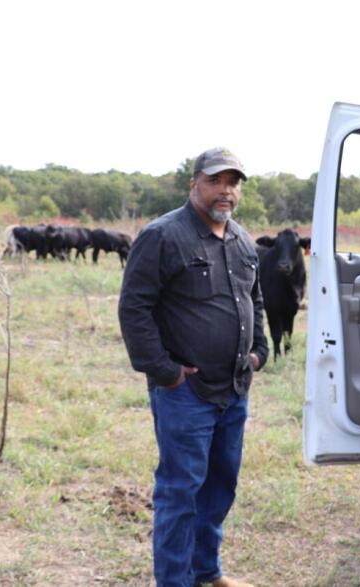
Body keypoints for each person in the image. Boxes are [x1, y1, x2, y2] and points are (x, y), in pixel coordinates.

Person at [118, 147, 269, 587]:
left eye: (234, 182)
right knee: (180, 492)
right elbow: (134, 308)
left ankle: (207, 571)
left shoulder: (241, 240)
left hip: (234, 389)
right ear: (195, 184)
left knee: (220, 487)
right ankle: (175, 581)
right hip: (185, 393)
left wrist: (258, 350)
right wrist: (163, 371)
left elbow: (255, 300)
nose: (226, 190)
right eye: (216, 180)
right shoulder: (164, 236)